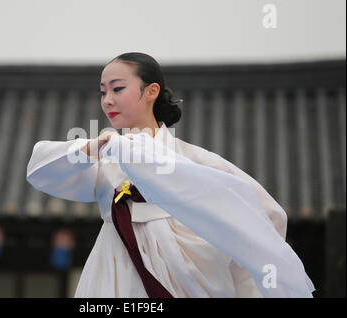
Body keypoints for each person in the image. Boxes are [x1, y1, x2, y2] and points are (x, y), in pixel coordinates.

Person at [26, 52, 315, 298]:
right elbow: (41, 170)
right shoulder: (105, 158)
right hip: (115, 273)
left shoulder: (191, 159)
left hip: (184, 274)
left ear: (150, 91)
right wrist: (94, 146)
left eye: (118, 89)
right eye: (103, 91)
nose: (108, 100)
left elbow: (265, 215)